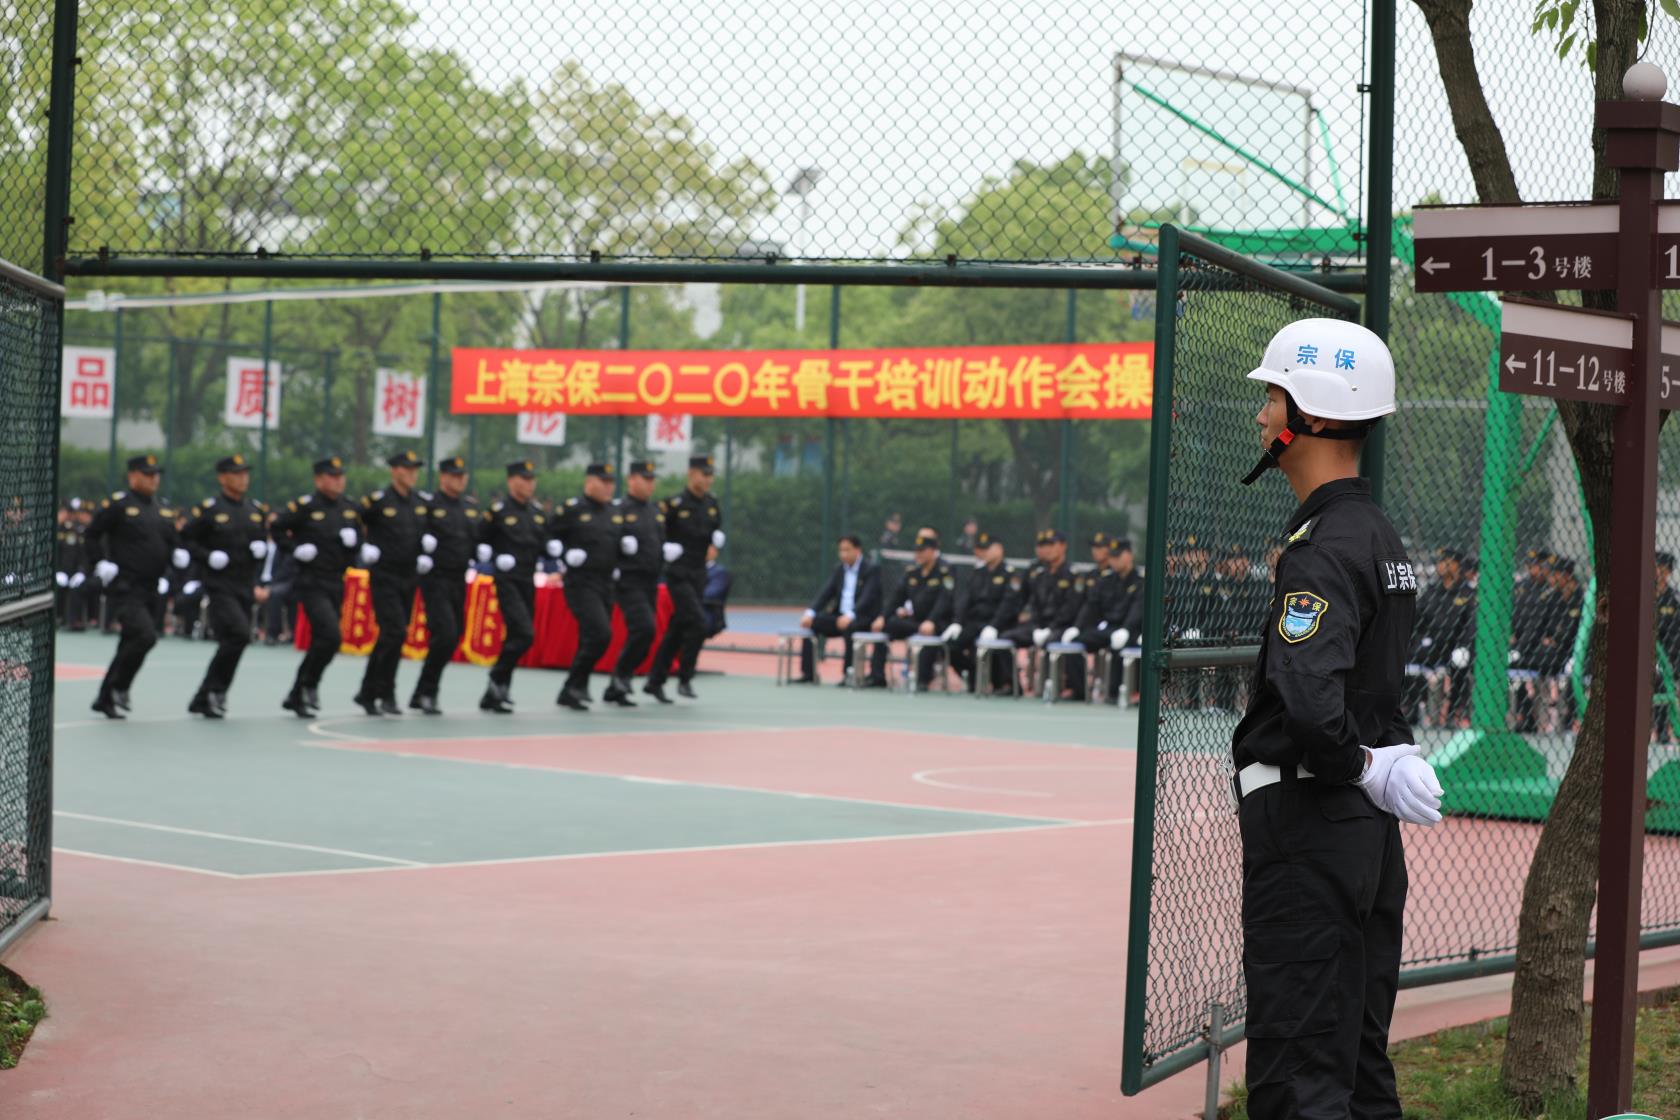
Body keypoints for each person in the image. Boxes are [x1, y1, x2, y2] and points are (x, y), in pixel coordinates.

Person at [1231, 318, 1440, 1118]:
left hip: (1309, 821)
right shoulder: (1379, 534)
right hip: (1362, 831)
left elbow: (1311, 701)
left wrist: (1356, 762)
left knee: (1298, 1068)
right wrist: (1381, 761)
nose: (1261, 415)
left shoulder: (1321, 548)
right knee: (1356, 1058)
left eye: (1272, 396)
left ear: (1310, 412)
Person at [84, 454, 189, 718]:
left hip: (152, 587)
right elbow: (92, 534)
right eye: (148, 474)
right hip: (126, 586)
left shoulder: (163, 509)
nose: (154, 479)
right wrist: (99, 562)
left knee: (130, 641)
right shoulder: (119, 505)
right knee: (145, 636)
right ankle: (120, 687)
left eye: (156, 474)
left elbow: (171, 540)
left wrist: (178, 553)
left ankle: (106, 697)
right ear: (132, 476)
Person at [178, 453, 271, 718]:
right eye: (236, 473)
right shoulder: (209, 509)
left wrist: (261, 552)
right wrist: (207, 556)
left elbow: (261, 544)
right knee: (239, 633)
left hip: (245, 584)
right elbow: (186, 540)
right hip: (219, 584)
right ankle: (215, 692)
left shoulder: (255, 510)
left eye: (245, 473)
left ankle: (205, 695)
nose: (243, 478)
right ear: (222, 478)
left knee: (235, 639)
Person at [272, 456, 362, 717]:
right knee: (330, 635)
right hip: (311, 581)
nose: (338, 481)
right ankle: (309, 686)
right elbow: (277, 529)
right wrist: (295, 549)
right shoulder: (305, 506)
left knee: (326, 640)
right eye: (332, 476)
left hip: (337, 580)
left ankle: (298, 692)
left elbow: (358, 539)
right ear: (319, 479)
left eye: (340, 476)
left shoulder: (349, 508)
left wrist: (355, 543)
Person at [352, 450, 427, 716]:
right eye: (408, 469)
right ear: (395, 471)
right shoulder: (378, 501)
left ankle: (375, 692)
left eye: (415, 469)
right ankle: (380, 691)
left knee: (396, 634)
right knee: (394, 631)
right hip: (385, 575)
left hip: (409, 575)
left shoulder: (419, 502)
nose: (413, 474)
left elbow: (428, 529)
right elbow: (351, 520)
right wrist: (363, 546)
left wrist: (427, 550)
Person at [645, 453, 724, 703]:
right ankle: (685, 677)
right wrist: (665, 547)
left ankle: (655, 681)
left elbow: (715, 530)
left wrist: (717, 540)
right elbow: (655, 530)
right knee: (699, 622)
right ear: (691, 474)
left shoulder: (711, 503)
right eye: (704, 474)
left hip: (699, 572)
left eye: (711, 475)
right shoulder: (673, 504)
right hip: (678, 573)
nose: (708, 480)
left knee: (678, 627)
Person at [550, 462, 626, 711]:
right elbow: (549, 537)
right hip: (581, 582)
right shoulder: (573, 509)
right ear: (589, 482)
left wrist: (623, 555)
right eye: (603, 482)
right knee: (600, 633)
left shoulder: (614, 512)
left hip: (606, 582)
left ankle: (576, 687)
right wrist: (564, 555)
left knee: (591, 637)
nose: (608, 487)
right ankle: (573, 685)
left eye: (611, 482)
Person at [408, 456, 479, 715]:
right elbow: (413, 533)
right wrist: (421, 552)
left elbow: (476, 538)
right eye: (454, 476)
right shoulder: (429, 506)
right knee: (446, 633)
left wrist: (482, 551)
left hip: (459, 578)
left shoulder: (469, 508)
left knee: (454, 634)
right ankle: (428, 691)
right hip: (435, 577)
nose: (459, 480)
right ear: (443, 477)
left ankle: (422, 691)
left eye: (462, 476)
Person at [476, 459, 547, 714]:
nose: (529, 484)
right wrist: (493, 557)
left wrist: (554, 552)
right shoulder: (498, 512)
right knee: (524, 632)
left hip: (528, 579)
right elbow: (479, 542)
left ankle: (498, 689)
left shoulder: (537, 513)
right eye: (524, 479)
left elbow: (544, 543)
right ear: (511, 481)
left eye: (531, 479)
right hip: (507, 580)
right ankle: (497, 679)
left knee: (519, 635)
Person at [864, 531, 955, 689]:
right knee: (886, 626)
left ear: (933, 551)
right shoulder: (912, 572)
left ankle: (922, 680)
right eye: (916, 551)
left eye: (922, 551)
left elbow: (944, 601)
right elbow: (896, 598)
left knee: (929, 633)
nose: (918, 554)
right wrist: (882, 617)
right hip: (916, 621)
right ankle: (877, 676)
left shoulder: (944, 571)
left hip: (938, 622)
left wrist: (931, 620)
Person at [609, 460, 664, 706]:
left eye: (652, 479)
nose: (650, 484)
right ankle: (621, 676)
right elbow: (605, 538)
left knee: (646, 633)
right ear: (631, 480)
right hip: (628, 580)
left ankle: (618, 683)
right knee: (644, 628)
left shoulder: (655, 511)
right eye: (645, 479)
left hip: (650, 580)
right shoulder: (618, 509)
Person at [797, 534, 883, 684]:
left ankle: (848, 674)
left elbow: (868, 597)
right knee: (812, 624)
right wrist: (810, 613)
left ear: (857, 550)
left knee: (850, 628)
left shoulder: (871, 569)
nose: (843, 554)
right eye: (841, 550)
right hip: (840, 617)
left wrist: (851, 615)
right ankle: (808, 674)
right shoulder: (839, 569)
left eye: (847, 550)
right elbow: (826, 593)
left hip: (863, 618)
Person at [1407, 547, 1476, 729]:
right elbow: (1416, 618)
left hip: (1455, 646)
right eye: (1440, 562)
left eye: (1446, 562)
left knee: (1461, 662)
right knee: (1406, 656)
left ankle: (1455, 710)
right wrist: (1415, 640)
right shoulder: (1432, 591)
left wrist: (1464, 646)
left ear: (1456, 565)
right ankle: (1411, 708)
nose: (1441, 566)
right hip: (1432, 644)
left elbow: (1471, 625)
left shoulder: (1467, 593)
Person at [945, 532, 1012, 692]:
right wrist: (957, 622)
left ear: (999, 549)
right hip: (975, 622)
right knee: (950, 645)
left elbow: (1008, 604)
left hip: (998, 623)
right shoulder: (978, 573)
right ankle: (975, 675)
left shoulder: (1008, 574)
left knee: (996, 643)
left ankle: (1004, 683)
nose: (983, 553)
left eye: (987, 549)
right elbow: (965, 600)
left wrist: (994, 625)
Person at [1656, 551, 1680, 742]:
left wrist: (1667, 658)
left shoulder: (1673, 599)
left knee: (1662, 682)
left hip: (1669, 655)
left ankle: (1662, 728)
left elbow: (1675, 634)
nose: (1658, 573)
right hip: (1647, 652)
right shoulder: (1645, 594)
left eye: (1662, 570)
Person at [702, 544, 732, 638]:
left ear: (715, 552)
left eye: (710, 548)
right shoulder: (690, 569)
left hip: (705, 616)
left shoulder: (719, 572)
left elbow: (710, 594)